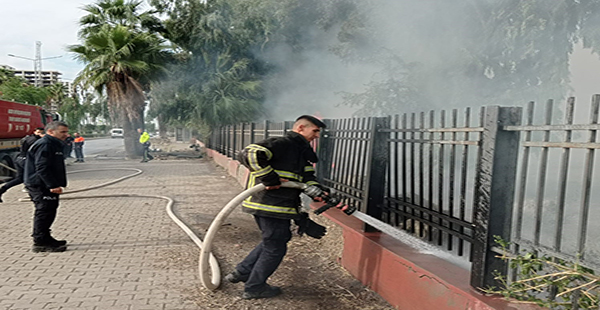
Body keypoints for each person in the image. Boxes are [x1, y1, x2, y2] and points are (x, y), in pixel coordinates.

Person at [226, 115, 329, 299]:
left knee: (274, 240)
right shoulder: (283, 144)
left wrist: (316, 189)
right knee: (275, 246)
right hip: (269, 203)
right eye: (314, 131)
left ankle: (242, 272)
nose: (316, 136)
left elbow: (306, 175)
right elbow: (249, 153)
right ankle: (254, 287)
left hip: (277, 205)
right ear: (300, 128)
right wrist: (270, 178)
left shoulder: (299, 151)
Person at [24, 121, 69, 253]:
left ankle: (46, 237)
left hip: (45, 184)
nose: (66, 135)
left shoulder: (53, 144)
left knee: (49, 211)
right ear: (50, 131)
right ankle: (40, 242)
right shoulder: (45, 144)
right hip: (40, 184)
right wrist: (52, 185)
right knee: (44, 211)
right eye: (62, 132)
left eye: (66, 131)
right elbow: (42, 167)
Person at [0, 127, 45, 203]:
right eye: (39, 133)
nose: (41, 134)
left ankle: (2, 189)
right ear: (35, 132)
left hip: (20, 159)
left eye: (42, 133)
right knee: (33, 177)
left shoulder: (29, 138)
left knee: (20, 179)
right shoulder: (36, 141)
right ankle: (35, 195)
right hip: (26, 161)